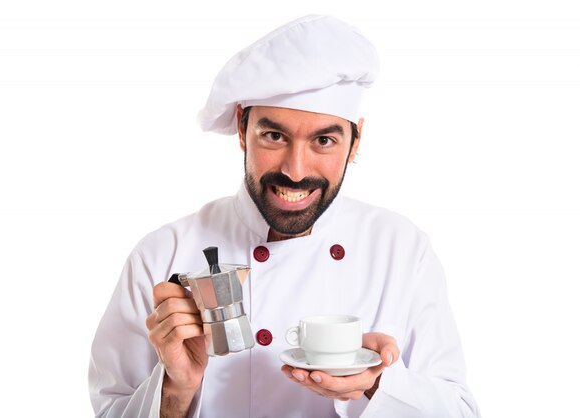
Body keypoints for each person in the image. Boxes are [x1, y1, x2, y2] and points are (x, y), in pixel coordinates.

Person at [89, 15, 480, 418]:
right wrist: (175, 389)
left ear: (354, 142)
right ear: (242, 128)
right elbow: (108, 408)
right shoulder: (161, 255)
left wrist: (376, 383)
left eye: (324, 140)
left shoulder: (401, 250)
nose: (295, 170)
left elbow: (462, 411)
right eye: (274, 136)